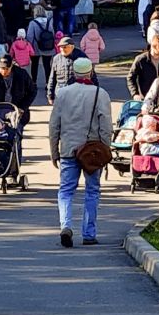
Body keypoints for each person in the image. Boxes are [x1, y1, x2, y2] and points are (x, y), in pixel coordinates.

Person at [48, 56, 110, 246]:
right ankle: (89, 233)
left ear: (74, 73)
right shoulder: (100, 94)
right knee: (92, 191)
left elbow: (54, 125)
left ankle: (65, 225)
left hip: (68, 150)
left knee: (66, 191)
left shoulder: (63, 94)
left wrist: (54, 151)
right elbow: (106, 126)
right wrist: (105, 150)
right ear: (90, 72)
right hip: (92, 152)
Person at [0, 54, 35, 124]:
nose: (4, 71)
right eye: (2, 68)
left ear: (11, 66)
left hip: (17, 111)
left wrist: (22, 107)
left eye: (7, 69)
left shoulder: (21, 74)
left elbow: (32, 91)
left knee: (16, 132)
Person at [126, 34, 159, 100]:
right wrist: (135, 94)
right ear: (153, 47)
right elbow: (131, 78)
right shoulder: (141, 60)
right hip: (145, 98)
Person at [26, 6, 54, 86]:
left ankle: (34, 82)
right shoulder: (49, 21)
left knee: (34, 65)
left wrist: (29, 46)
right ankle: (47, 83)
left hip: (35, 46)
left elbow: (30, 36)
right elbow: (52, 33)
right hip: (48, 46)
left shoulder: (33, 23)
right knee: (47, 65)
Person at [46, 36, 76, 105]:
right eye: (60, 47)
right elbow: (52, 78)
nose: (62, 49)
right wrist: (50, 95)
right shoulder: (56, 58)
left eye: (65, 47)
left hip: (75, 93)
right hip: (60, 93)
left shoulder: (80, 57)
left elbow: (90, 76)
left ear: (72, 47)